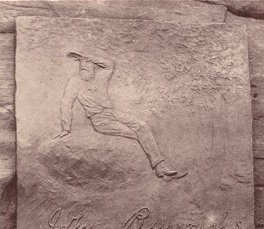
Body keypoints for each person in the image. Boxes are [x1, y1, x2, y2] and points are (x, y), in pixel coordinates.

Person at [56, 51, 188, 180]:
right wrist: (65, 128)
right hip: (100, 120)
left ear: (95, 65)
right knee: (134, 134)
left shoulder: (101, 76)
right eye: (81, 63)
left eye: (87, 63)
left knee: (142, 125)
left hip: (112, 113)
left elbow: (109, 64)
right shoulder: (74, 82)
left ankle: (161, 168)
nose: (83, 65)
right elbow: (66, 103)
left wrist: (87, 56)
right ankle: (160, 169)